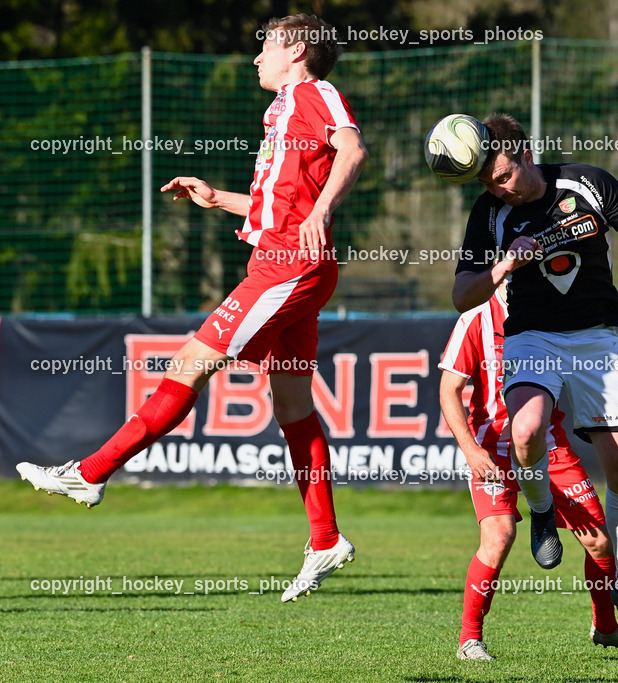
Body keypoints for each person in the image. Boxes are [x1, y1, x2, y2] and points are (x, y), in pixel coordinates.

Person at [15, 14, 368, 603]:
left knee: (188, 365)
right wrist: (217, 198)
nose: (256, 59)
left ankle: (90, 473)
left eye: (267, 48)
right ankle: (326, 538)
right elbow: (274, 206)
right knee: (293, 404)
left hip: (290, 266)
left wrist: (319, 213)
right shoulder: (284, 108)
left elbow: (353, 150)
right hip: (281, 259)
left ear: (298, 50)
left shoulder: (314, 92)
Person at [451, 113, 618, 651]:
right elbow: (462, 293)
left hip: (596, 341)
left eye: (502, 174)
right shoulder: (488, 211)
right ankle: (541, 512)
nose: (497, 187)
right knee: (527, 429)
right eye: (486, 181)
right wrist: (504, 267)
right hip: (532, 336)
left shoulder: (587, 182)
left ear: (524, 152)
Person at [439, 282, 618, 660]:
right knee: (499, 537)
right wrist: (471, 451)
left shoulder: (555, 311)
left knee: (601, 542)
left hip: (550, 449)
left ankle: (605, 628)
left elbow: (589, 370)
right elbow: (449, 388)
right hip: (494, 450)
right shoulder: (476, 316)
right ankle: (469, 641)